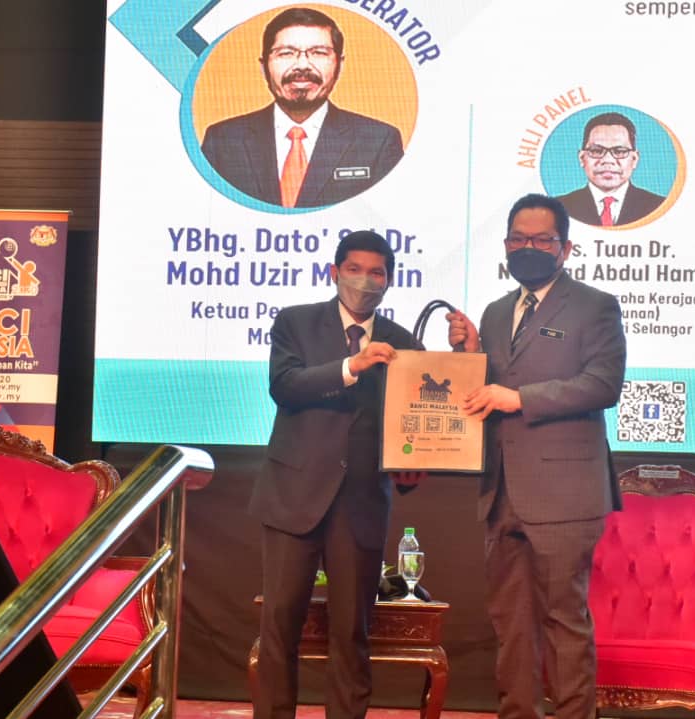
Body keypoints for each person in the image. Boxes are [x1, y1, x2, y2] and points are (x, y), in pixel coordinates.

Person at [446, 194, 627, 719]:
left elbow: (603, 384)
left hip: (565, 496)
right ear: (506, 245)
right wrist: (469, 356)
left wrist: (520, 399)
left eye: (542, 240)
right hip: (501, 491)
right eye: (518, 239)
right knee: (511, 625)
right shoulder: (496, 312)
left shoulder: (595, 306)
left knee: (563, 621)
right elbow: (491, 388)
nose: (528, 248)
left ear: (565, 248)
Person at [251, 230, 422, 719]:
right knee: (280, 625)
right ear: (334, 272)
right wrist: (352, 365)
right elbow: (285, 385)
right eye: (354, 269)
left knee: (351, 631)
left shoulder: (403, 342)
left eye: (376, 273)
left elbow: (418, 415)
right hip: (293, 495)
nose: (364, 281)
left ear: (389, 281)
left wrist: (413, 462)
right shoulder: (295, 322)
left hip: (362, 502)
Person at [201, 7, 404, 208]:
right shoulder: (222, 141)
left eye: (319, 53)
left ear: (339, 65)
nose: (302, 65)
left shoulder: (379, 141)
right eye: (286, 53)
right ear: (264, 67)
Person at [555, 112, 665, 227]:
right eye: (596, 151)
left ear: (634, 159)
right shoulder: (557, 208)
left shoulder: (659, 206)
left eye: (620, 151)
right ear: (582, 158)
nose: (608, 160)